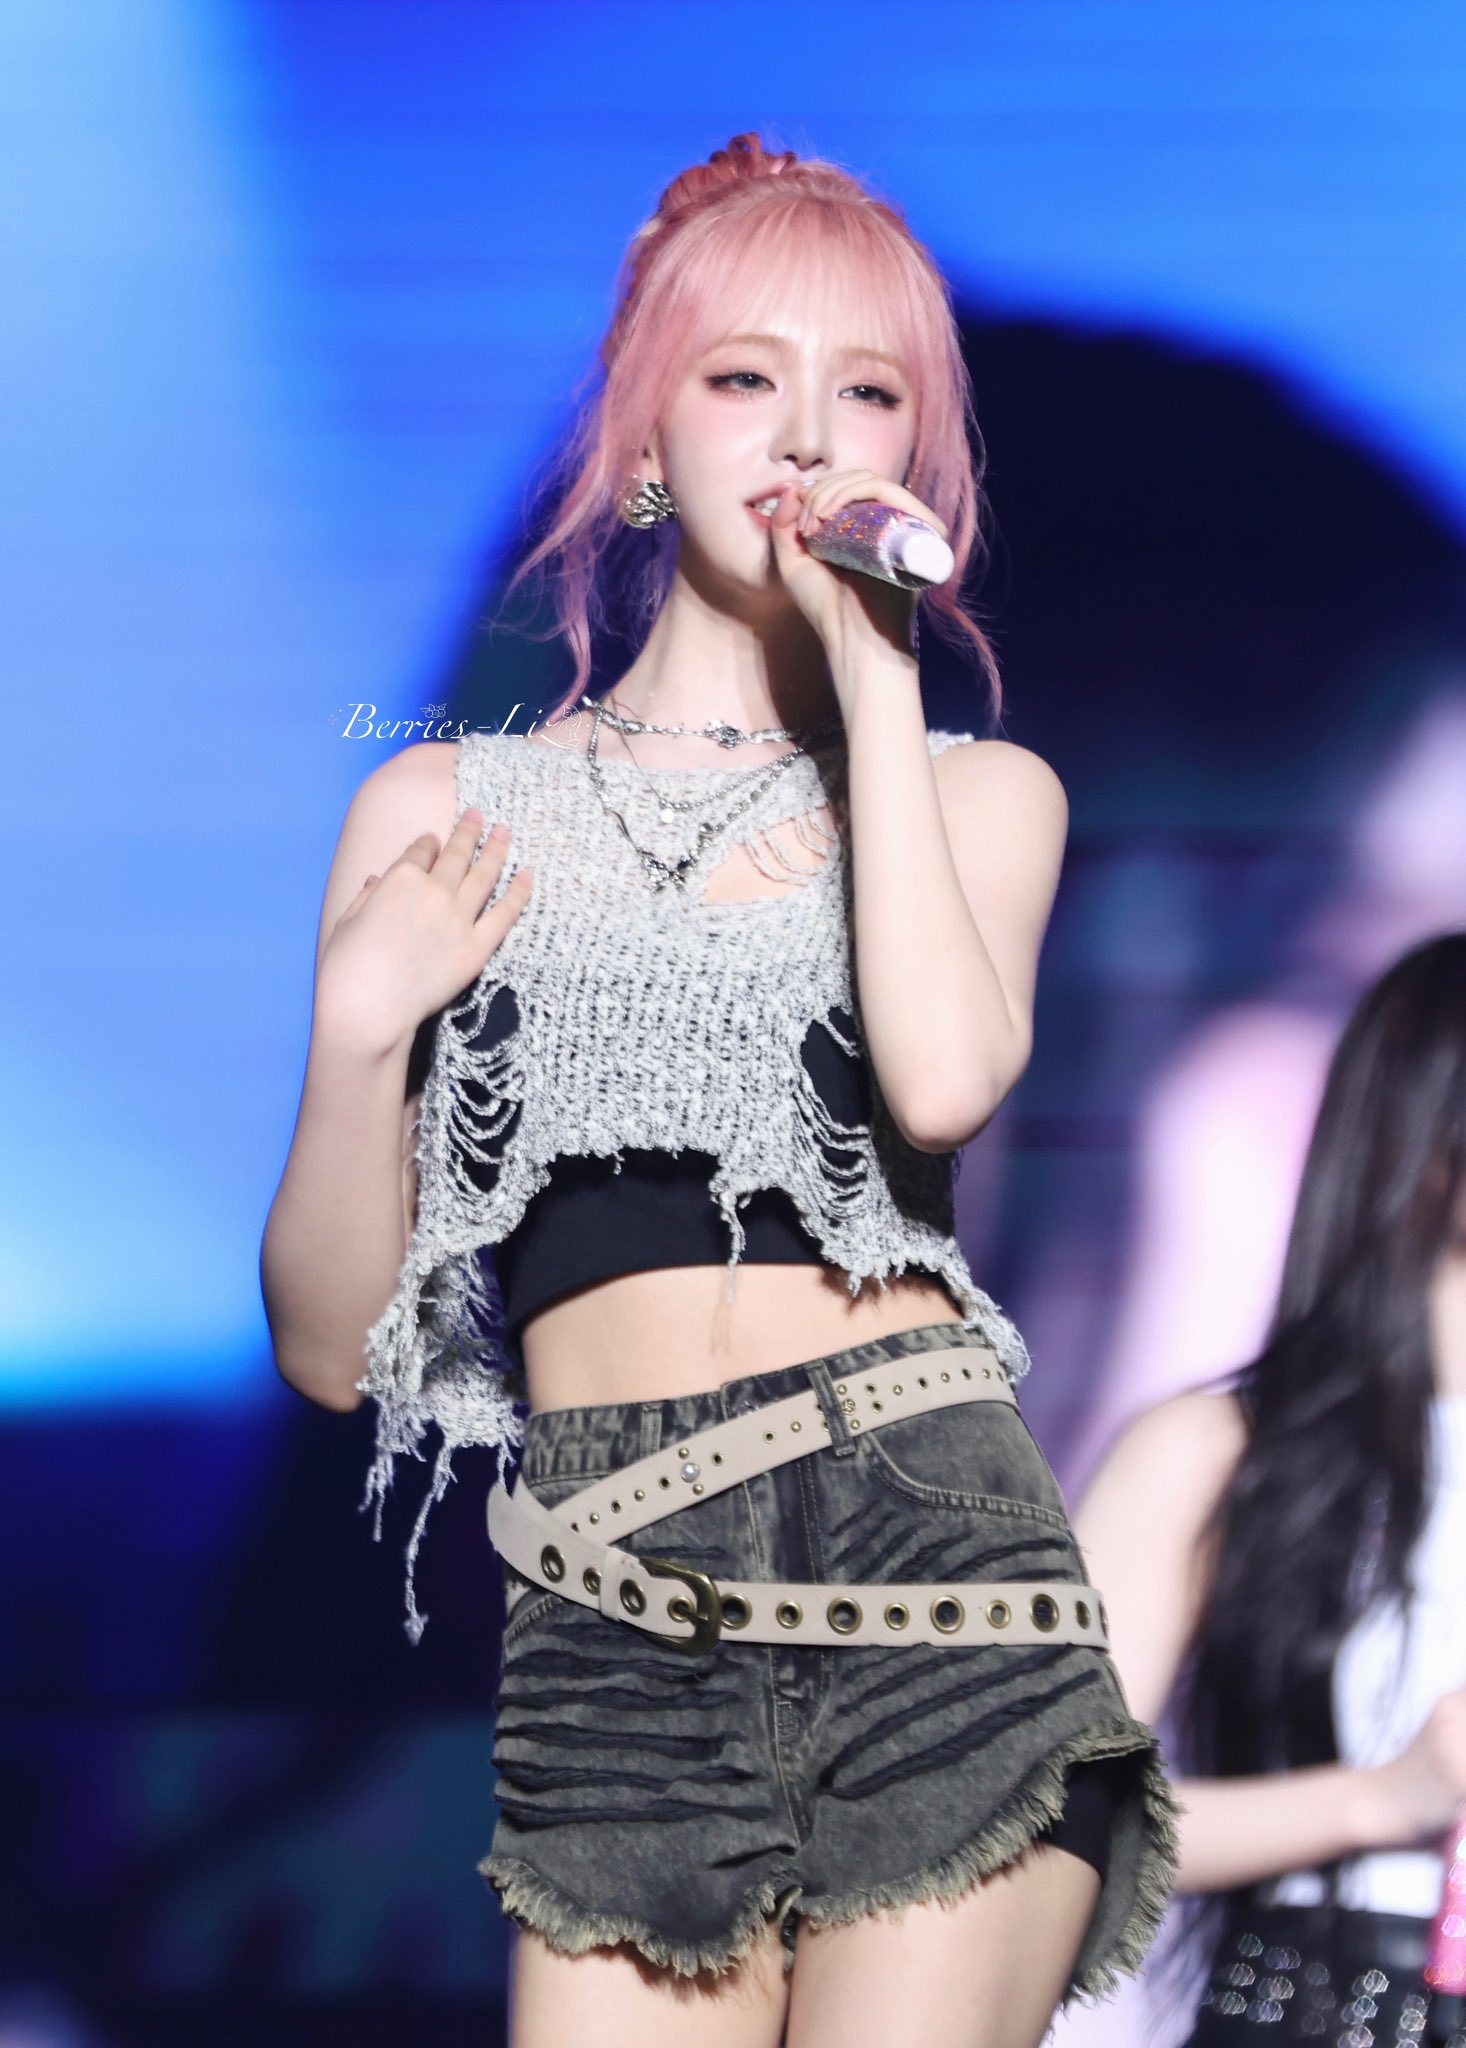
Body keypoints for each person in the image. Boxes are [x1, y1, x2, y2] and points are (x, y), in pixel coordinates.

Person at [261, 132, 1177, 2048]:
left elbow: (942, 1078)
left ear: (922, 458)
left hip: (931, 1581)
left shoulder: (979, 794)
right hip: (614, 1610)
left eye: (871, 393)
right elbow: (337, 1355)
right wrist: (358, 1034)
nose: (808, 434)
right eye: (747, 375)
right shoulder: (439, 809)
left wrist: (877, 676)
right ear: (645, 430)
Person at [1075, 931, 1466, 2046]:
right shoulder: (1213, 1452)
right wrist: (1382, 1798)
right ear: (1427, 1130)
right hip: (1318, 2002)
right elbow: (1039, 1813)